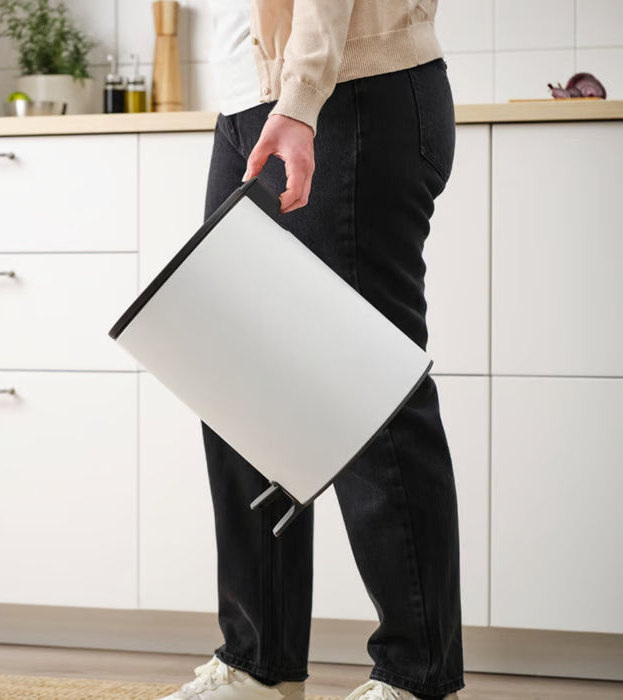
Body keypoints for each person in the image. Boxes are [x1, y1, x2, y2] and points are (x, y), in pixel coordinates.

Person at [163, 0, 464, 698]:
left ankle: (416, 674)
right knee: (234, 381)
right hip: (251, 105)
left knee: (367, 387)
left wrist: (301, 98)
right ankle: (256, 663)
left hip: (349, 91)